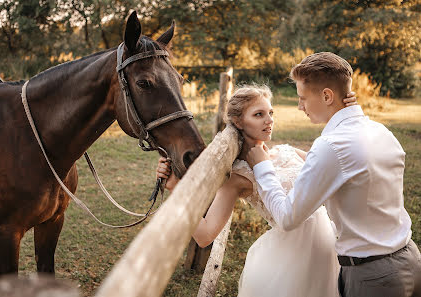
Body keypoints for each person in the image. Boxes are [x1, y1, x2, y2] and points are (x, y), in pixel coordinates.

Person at [246, 52, 421, 297]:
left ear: (327, 96)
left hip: (372, 277)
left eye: (303, 98)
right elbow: (349, 171)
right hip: (411, 260)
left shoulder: (331, 145)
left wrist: (262, 167)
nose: (300, 106)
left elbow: (287, 218)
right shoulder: (380, 132)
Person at [157, 84, 357, 296]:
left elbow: (339, 167)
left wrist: (345, 113)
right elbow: (205, 235)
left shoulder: (286, 151)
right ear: (238, 121)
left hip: (326, 253)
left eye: (270, 113)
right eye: (259, 114)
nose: (269, 120)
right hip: (290, 266)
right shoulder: (238, 178)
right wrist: (175, 188)